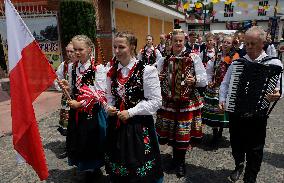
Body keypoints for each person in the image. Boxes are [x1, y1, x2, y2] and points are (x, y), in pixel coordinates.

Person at [219, 26, 283, 183]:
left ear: (262, 43)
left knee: (256, 148)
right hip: (236, 111)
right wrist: (222, 99)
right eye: (246, 43)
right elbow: (225, 84)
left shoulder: (274, 63)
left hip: (258, 114)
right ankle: (239, 164)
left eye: (252, 44)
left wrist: (277, 94)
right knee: (236, 142)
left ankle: (251, 176)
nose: (248, 47)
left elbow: (280, 87)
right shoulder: (237, 63)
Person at [105, 32, 163, 183]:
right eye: (115, 47)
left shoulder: (146, 70)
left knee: (140, 164)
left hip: (139, 125)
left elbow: (156, 101)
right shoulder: (111, 71)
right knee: (119, 162)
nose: (117, 51)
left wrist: (131, 112)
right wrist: (109, 107)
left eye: (121, 47)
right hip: (117, 125)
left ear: (132, 47)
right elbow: (109, 98)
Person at [156, 29, 207, 177]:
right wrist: (158, 77)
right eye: (175, 40)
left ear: (184, 41)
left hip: (187, 101)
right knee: (172, 131)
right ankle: (174, 158)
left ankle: (181, 162)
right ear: (171, 42)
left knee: (182, 133)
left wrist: (195, 80)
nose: (178, 43)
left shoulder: (193, 57)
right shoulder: (164, 59)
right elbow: (154, 76)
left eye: (180, 41)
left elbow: (204, 79)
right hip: (169, 101)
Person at [59, 35, 107, 182]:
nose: (77, 53)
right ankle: (86, 168)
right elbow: (74, 89)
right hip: (77, 112)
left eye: (81, 49)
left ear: (89, 49)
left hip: (92, 112)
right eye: (75, 49)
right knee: (79, 140)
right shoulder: (73, 67)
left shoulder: (97, 68)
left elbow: (100, 93)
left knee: (92, 140)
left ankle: (95, 170)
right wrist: (68, 88)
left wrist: (80, 104)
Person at [203, 35, 239, 145]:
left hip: (226, 88)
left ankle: (221, 130)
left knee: (223, 110)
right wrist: (209, 81)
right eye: (224, 42)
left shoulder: (235, 57)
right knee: (213, 110)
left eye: (228, 42)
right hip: (214, 87)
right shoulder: (217, 56)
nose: (225, 44)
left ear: (232, 44)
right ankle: (215, 133)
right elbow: (209, 70)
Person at [55, 42, 76, 137]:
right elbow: (57, 78)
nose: (69, 53)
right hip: (66, 96)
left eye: (71, 51)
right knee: (67, 121)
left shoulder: (80, 64)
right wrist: (61, 85)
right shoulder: (64, 65)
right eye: (67, 51)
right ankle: (69, 142)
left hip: (78, 96)